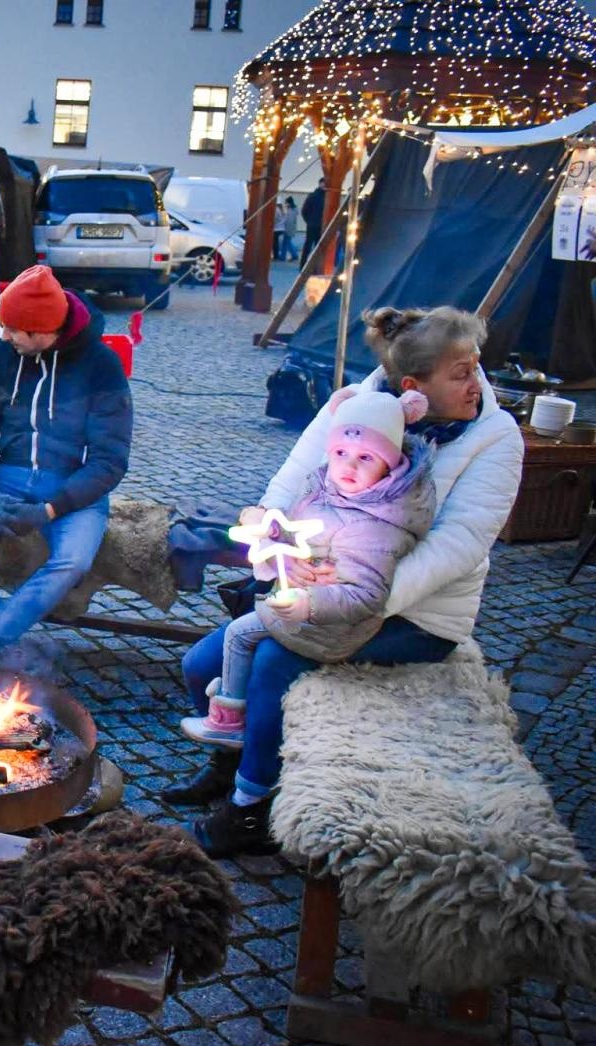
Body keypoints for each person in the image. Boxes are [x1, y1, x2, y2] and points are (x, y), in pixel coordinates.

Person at [169, 306, 525, 857]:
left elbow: (459, 546)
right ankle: (230, 764)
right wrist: (273, 538)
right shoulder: (361, 405)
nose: (477, 382)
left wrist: (356, 598)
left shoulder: (495, 437)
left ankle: (250, 811)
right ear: (413, 386)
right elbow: (294, 476)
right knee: (199, 666)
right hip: (322, 589)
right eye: (460, 372)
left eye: (476, 367)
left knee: (272, 663)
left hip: (414, 613)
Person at [181, 387, 435, 751]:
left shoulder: (380, 524)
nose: (349, 466)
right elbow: (292, 530)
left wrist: (306, 604)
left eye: (366, 457)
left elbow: (366, 594)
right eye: (341, 454)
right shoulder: (323, 487)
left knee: (242, 639)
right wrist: (271, 532)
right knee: (211, 656)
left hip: (329, 621)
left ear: (389, 463)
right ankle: (228, 723)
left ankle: (231, 723)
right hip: (302, 603)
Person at [0, 265, 132, 659]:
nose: (2, 336)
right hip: (5, 476)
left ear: (39, 331)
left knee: (73, 561)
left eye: (10, 328)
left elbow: (110, 461)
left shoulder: (101, 365)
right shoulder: (5, 356)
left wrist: (50, 510)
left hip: (73, 488)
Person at [301, 179, 326, 266]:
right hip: (312, 225)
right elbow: (304, 211)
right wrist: (309, 221)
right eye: (323, 183)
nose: (324, 185)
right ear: (320, 184)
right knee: (308, 246)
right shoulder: (313, 196)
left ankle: (316, 266)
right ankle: (303, 264)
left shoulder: (328, 196)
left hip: (322, 226)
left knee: (318, 247)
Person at [274, 196, 299, 262]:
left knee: (287, 243)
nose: (285, 204)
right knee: (285, 243)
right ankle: (283, 256)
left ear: (289, 203)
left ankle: (294, 255)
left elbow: (288, 220)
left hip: (288, 228)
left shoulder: (290, 210)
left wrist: (285, 228)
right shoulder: (294, 210)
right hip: (291, 228)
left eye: (286, 203)